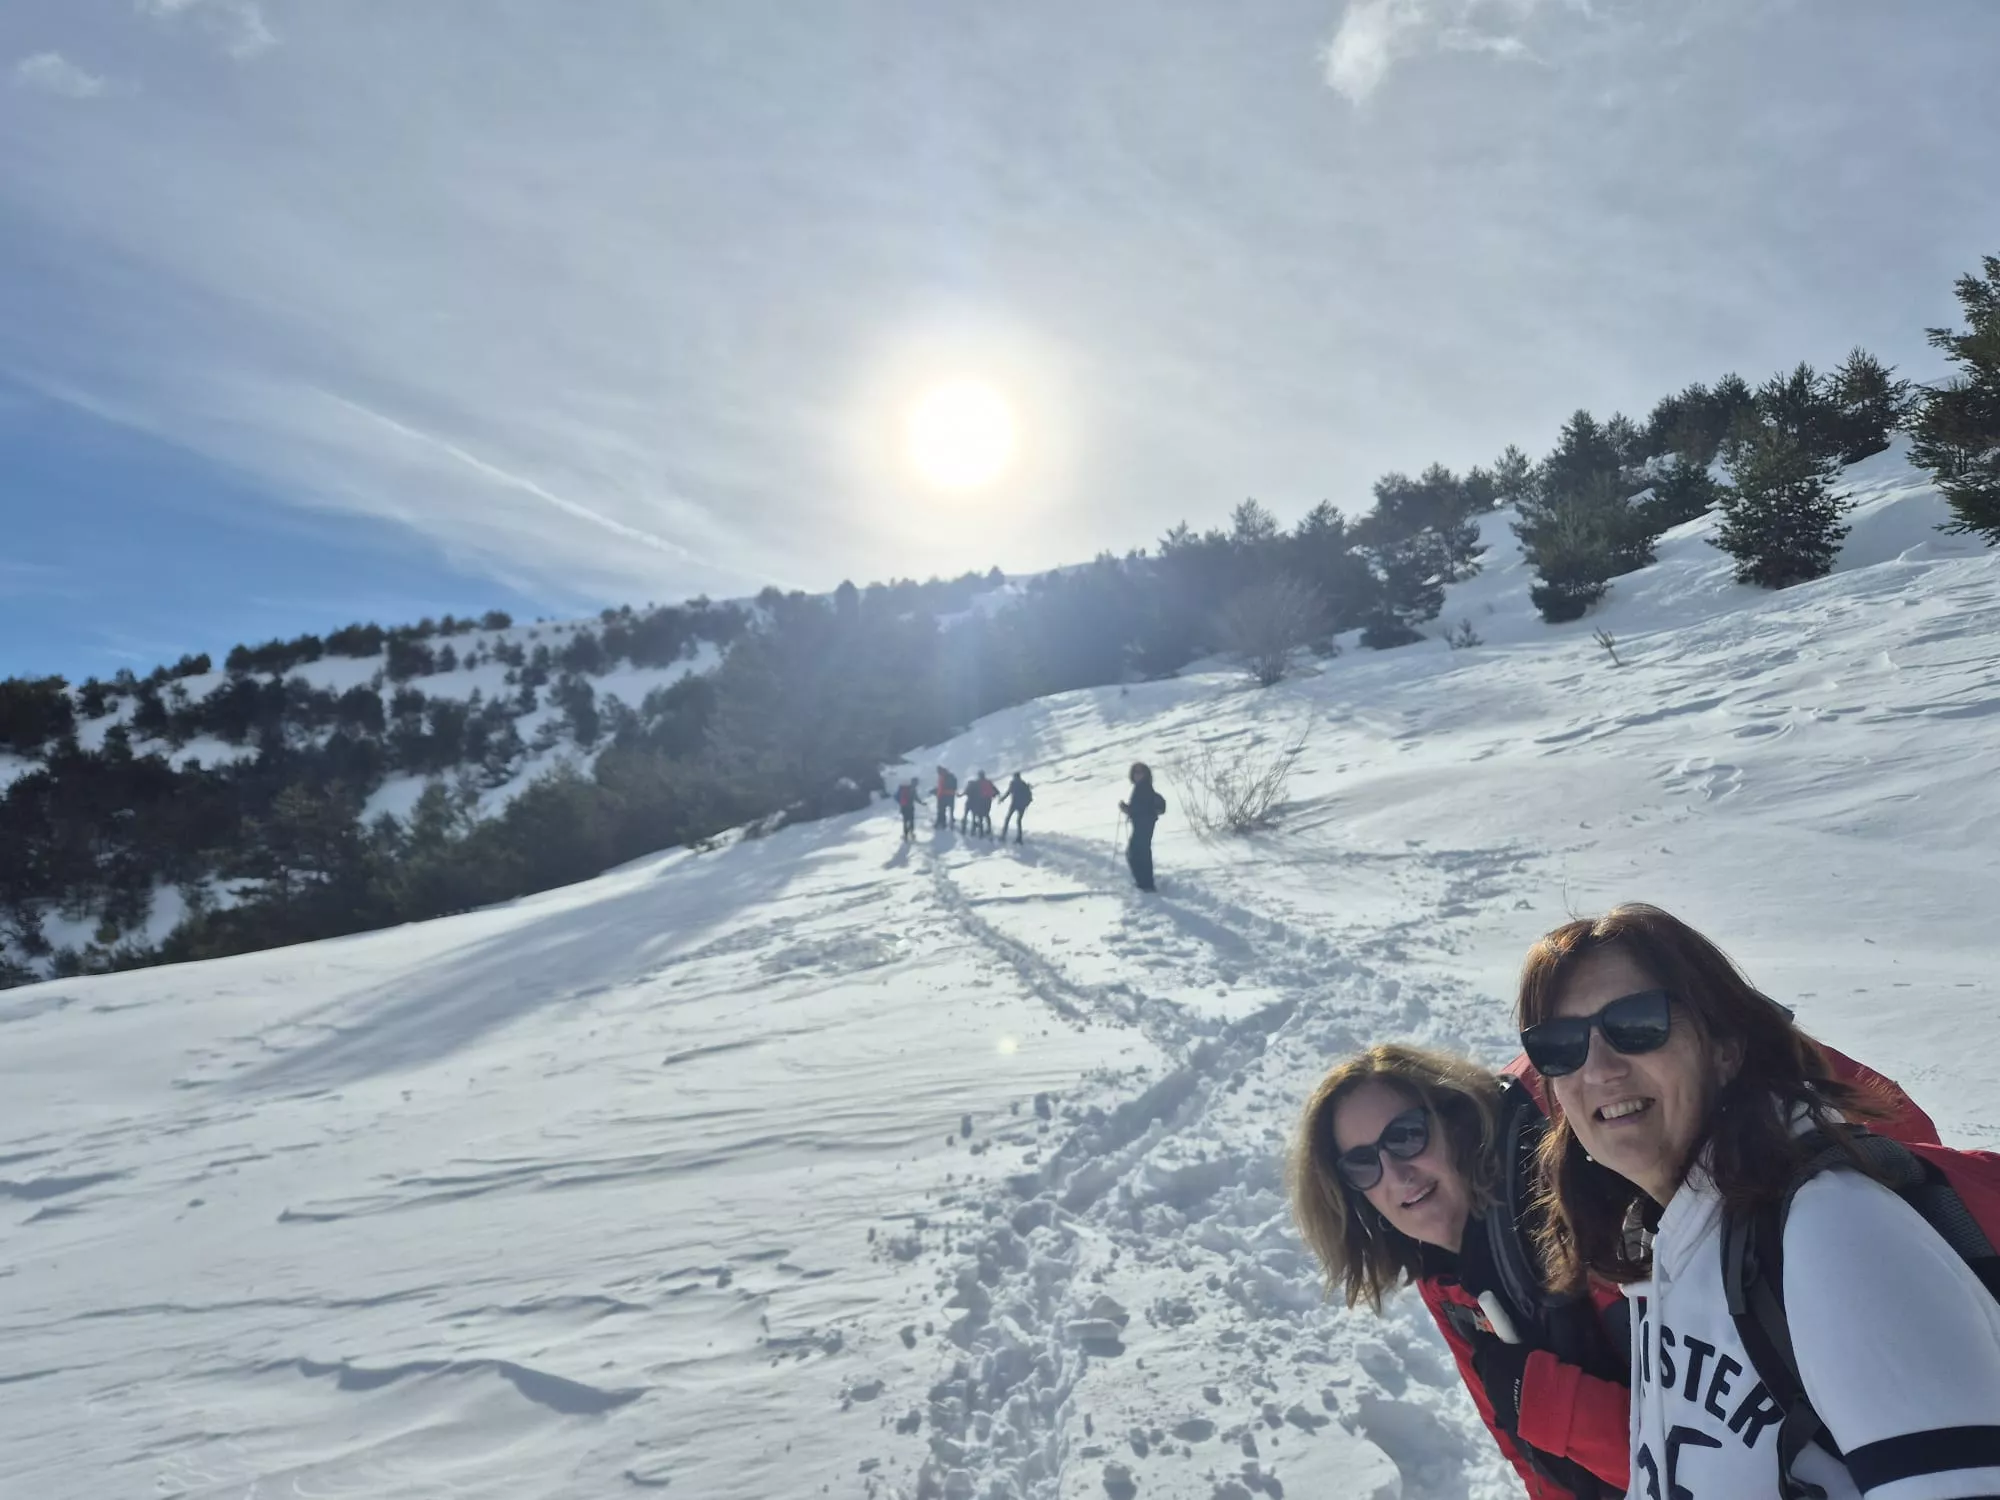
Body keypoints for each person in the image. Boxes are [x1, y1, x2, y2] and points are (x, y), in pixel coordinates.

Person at [1516, 903, 2000, 1500]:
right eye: (1561, 1046)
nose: (1600, 1069)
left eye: (1637, 1024)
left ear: (1725, 1045)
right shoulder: (1669, 1245)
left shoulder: (1834, 1234)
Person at [1292, 1045, 1630, 1499]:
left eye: (1406, 1135)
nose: (1396, 1173)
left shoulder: (1565, 1213)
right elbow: (1530, 1461)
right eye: (1362, 1163)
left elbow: (1705, 1450)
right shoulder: (1444, 1277)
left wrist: (1545, 1403)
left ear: (1455, 1121)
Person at [1118, 762, 1165, 892]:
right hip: (1144, 824)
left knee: (1136, 853)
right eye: (1135, 772)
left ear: (1145, 774)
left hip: (1143, 825)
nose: (1137, 775)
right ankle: (1145, 883)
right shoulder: (1142, 787)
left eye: (1140, 772)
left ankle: (1145, 884)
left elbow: (1139, 809)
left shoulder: (1143, 788)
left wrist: (1126, 809)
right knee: (1140, 853)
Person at [1000, 773, 1032, 843]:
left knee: (1007, 819)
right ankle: (1019, 838)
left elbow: (1008, 792)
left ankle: (1003, 836)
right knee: (1018, 821)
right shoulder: (1024, 784)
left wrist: (1002, 799)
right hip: (1022, 805)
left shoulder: (1013, 783)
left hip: (1014, 804)